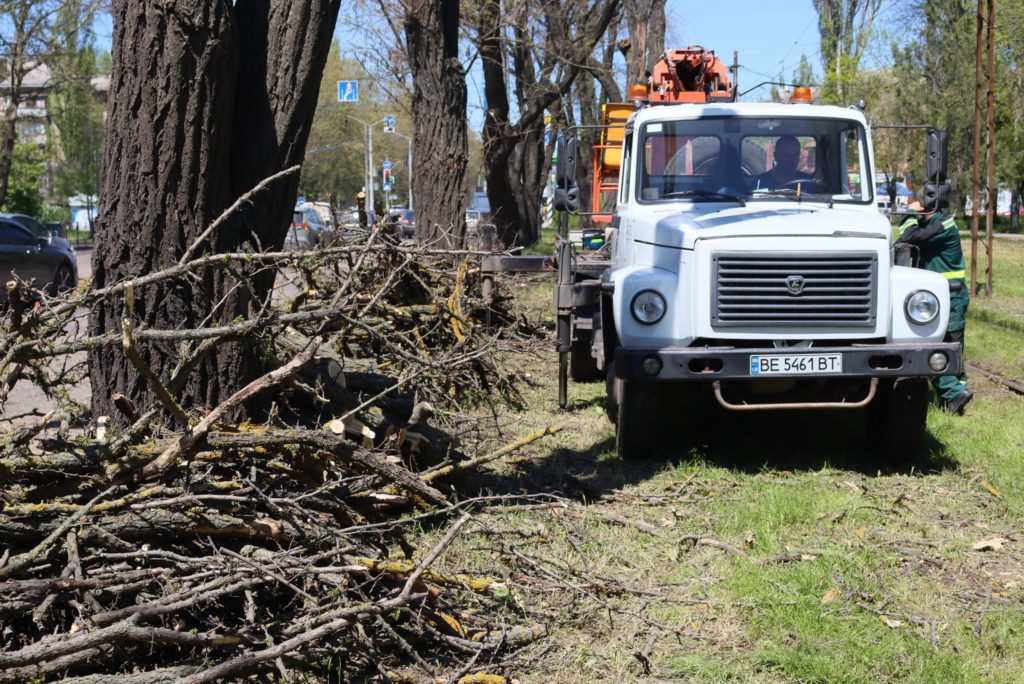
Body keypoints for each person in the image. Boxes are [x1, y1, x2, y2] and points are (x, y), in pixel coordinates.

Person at [896, 200, 973, 414]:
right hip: (934, 298)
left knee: (946, 345)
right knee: (947, 345)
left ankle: (955, 394)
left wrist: (908, 215)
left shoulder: (944, 225)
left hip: (952, 296)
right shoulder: (931, 226)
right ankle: (957, 394)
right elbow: (906, 242)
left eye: (919, 210)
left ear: (927, 210)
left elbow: (910, 237)